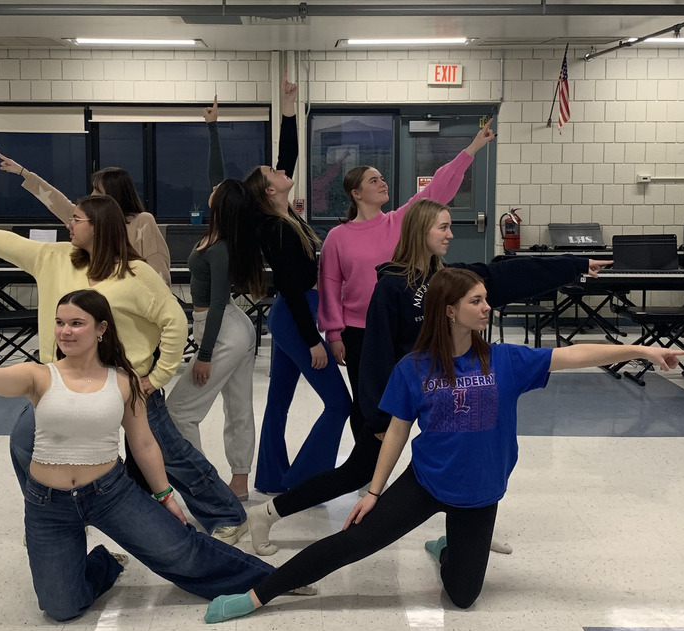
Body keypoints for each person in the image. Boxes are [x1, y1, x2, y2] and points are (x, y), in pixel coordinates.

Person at [204, 267, 684, 623]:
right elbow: (396, 432)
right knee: (353, 542)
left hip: (480, 493)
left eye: (486, 299)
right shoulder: (414, 368)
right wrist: (373, 493)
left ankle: (446, 547)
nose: (487, 307)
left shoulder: (507, 360)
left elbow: (575, 354)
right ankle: (258, 594)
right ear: (449, 310)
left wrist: (642, 349)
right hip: (427, 482)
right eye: (477, 301)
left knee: (462, 597)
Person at [0, 290, 274, 622]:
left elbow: (144, 444)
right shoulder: (40, 376)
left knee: (182, 555)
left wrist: (166, 496)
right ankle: (105, 563)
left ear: (101, 329)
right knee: (60, 607)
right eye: (60, 322)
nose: (66, 331)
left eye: (77, 323)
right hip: (48, 505)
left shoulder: (124, 381)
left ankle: (276, 579)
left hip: (111, 494)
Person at [247, 198, 613, 555]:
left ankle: (471, 536)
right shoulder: (391, 286)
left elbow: (508, 275)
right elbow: (376, 353)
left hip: (445, 392)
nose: (451, 234)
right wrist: (378, 416)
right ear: (422, 231)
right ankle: (266, 515)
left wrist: (573, 265)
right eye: (444, 226)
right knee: (357, 471)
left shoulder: (449, 280)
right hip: (400, 399)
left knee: (468, 461)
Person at [0, 196, 250, 543]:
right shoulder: (53, 259)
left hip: (127, 382)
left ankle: (227, 515)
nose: (69, 224)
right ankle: (55, 511)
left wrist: (157, 376)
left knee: (171, 453)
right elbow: (4, 242)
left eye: (76, 219)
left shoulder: (135, 274)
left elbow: (174, 322)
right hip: (67, 383)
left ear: (100, 227)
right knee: (24, 441)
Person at [318, 117, 496, 436]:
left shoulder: (400, 221)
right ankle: (367, 470)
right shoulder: (337, 237)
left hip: (403, 327)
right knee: (366, 401)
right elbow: (329, 286)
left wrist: (472, 148)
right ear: (356, 193)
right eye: (374, 180)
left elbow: (440, 186)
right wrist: (333, 334)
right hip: (359, 333)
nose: (382, 183)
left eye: (382, 178)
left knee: (418, 395)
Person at [239, 70, 351, 494]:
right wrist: (311, 341)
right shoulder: (276, 228)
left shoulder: (283, 216)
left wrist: (288, 108)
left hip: (295, 314)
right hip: (294, 317)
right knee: (339, 403)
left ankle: (271, 479)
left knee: (278, 403)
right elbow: (289, 287)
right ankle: (307, 483)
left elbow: (288, 156)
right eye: (274, 173)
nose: (282, 171)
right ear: (269, 191)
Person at [166, 97, 257, 500]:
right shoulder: (218, 233)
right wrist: (213, 127)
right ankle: (237, 484)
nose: (213, 187)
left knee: (180, 410)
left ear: (222, 204)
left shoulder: (219, 247)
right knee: (237, 407)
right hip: (234, 327)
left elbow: (217, 303)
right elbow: (217, 174)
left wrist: (202, 355)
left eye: (218, 191)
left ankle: (204, 487)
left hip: (221, 329)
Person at [0, 150, 172, 286]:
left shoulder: (142, 221)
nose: (92, 195)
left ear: (115, 195)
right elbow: (59, 203)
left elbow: (158, 270)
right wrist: (24, 173)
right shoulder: (91, 221)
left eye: (98, 191)